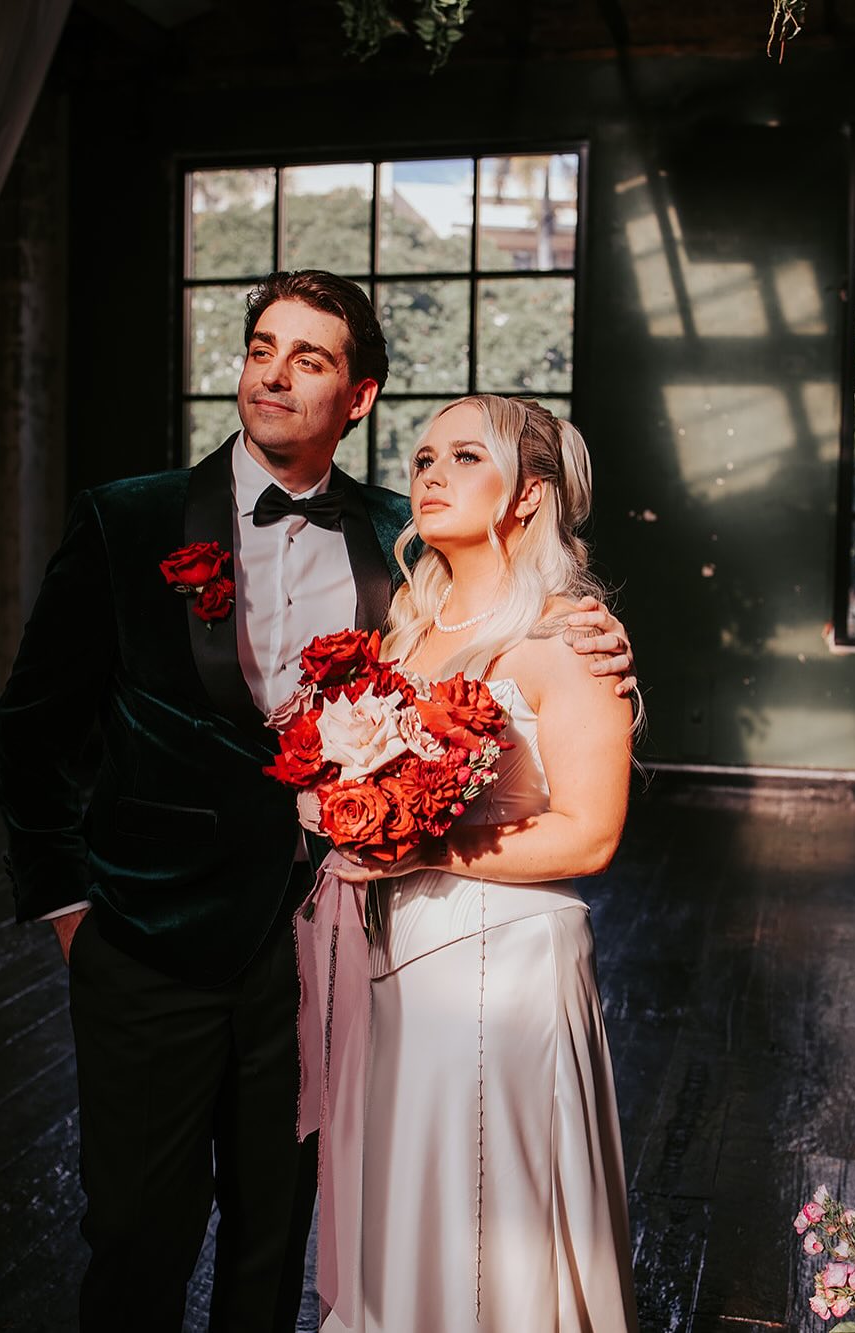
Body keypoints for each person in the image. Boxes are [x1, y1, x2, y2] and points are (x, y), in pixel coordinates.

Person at [0, 272, 636, 1333]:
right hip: (146, 943)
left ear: (359, 395)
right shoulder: (126, 518)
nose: (273, 373)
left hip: (318, 953)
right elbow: (32, 727)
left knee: (274, 1241)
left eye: (310, 358)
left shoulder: (404, 543)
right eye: (260, 347)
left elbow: (507, 603)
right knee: (135, 1237)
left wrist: (585, 625)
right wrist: (69, 913)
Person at [324, 395, 641, 1333]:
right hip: (396, 957)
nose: (429, 473)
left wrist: (415, 838)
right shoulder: (403, 631)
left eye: (465, 456)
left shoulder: (566, 635)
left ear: (529, 495)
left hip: (503, 967)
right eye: (423, 456)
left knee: (490, 1223)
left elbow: (590, 836)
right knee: (416, 1199)